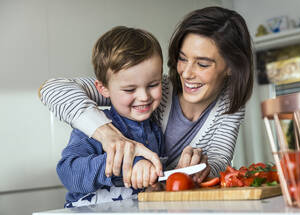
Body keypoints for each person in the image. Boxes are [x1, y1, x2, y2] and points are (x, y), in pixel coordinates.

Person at [39, 6, 254, 187]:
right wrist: (111, 139)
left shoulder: (226, 104)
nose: (186, 73)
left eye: (203, 63)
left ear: (232, 67)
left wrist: (201, 167)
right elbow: (53, 89)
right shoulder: (153, 90)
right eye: (182, 58)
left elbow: (217, 160)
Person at [56, 26, 165, 215]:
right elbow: (68, 171)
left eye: (153, 85)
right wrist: (126, 165)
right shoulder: (93, 126)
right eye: (130, 90)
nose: (144, 96)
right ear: (103, 88)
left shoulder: (156, 130)